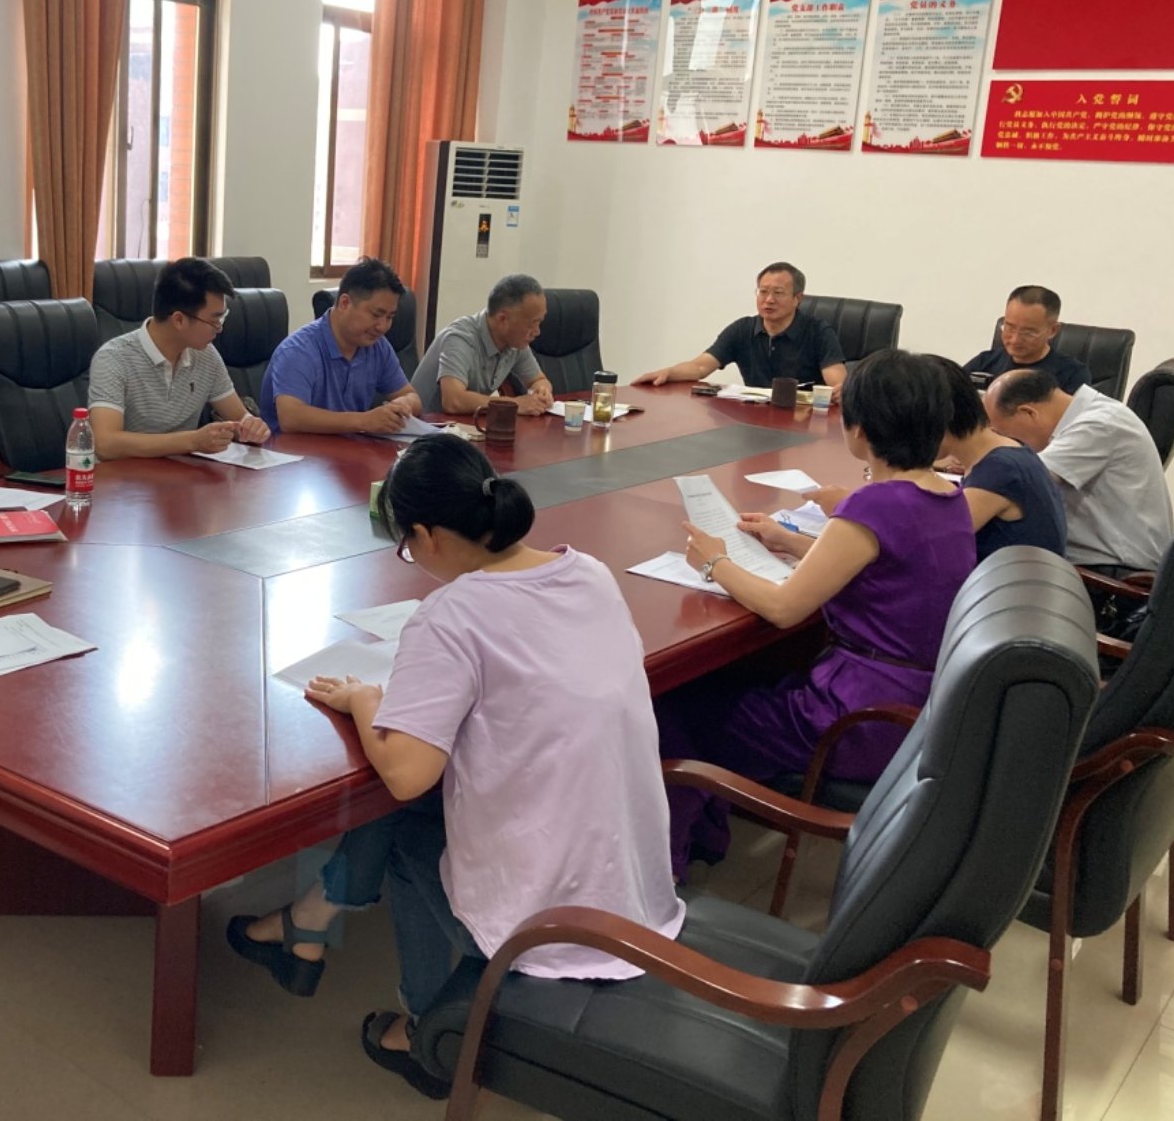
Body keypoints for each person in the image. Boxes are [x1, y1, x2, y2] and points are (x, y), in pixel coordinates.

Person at [226, 435, 684, 1098]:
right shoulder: (587, 572)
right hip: (633, 887)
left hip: (551, 923)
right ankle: (307, 922)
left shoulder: (451, 615)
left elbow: (407, 774)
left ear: (426, 536)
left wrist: (364, 700)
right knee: (422, 801)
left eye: (405, 546)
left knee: (406, 823)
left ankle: (426, 1030)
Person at [662, 349, 976, 880]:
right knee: (738, 680)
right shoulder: (948, 496)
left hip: (854, 719)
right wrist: (787, 539)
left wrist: (714, 561)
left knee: (671, 706)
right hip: (917, 708)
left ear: (860, 429)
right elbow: (886, 563)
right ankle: (706, 833)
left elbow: (784, 609)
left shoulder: (874, 504)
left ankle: (672, 863)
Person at [803, 356, 1066, 562]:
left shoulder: (999, 471)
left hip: (997, 609)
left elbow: (912, 543)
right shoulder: (1007, 451)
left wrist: (850, 507)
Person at [984, 368, 1172, 573]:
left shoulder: (1098, 424)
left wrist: (975, 457)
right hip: (1095, 557)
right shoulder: (1091, 413)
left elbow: (1020, 479)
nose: (1007, 441)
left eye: (1002, 433)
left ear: (1028, 413)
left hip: (1114, 569)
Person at [88, 257, 271, 460]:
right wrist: (193, 441)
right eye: (214, 320)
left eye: (222, 318)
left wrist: (250, 426)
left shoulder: (206, 354)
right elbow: (105, 443)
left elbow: (238, 417)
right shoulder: (114, 358)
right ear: (179, 320)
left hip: (181, 473)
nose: (220, 328)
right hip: (123, 476)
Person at [259, 257, 422, 434]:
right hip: (295, 450)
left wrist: (403, 405)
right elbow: (291, 418)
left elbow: (412, 396)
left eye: (390, 317)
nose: (382, 327)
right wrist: (363, 421)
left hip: (351, 447)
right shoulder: (298, 351)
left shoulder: (377, 347)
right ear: (345, 303)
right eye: (376, 315)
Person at [633, 261, 848, 394]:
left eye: (778, 293)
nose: (769, 300)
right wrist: (667, 372)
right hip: (754, 420)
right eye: (763, 292)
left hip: (803, 423)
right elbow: (700, 367)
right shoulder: (742, 329)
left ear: (797, 298)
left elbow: (837, 381)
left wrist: (842, 391)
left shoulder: (818, 332)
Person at [409, 273, 555, 415]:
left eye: (540, 322)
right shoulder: (460, 338)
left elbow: (538, 379)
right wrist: (514, 404)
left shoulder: (515, 343)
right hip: (427, 424)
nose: (537, 332)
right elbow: (453, 401)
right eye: (532, 324)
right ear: (502, 319)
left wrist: (542, 391)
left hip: (465, 425)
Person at [962, 284, 1092, 393]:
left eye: (1028, 333)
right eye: (1009, 328)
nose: (1015, 340)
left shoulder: (1072, 375)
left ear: (1053, 330)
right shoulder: (984, 363)